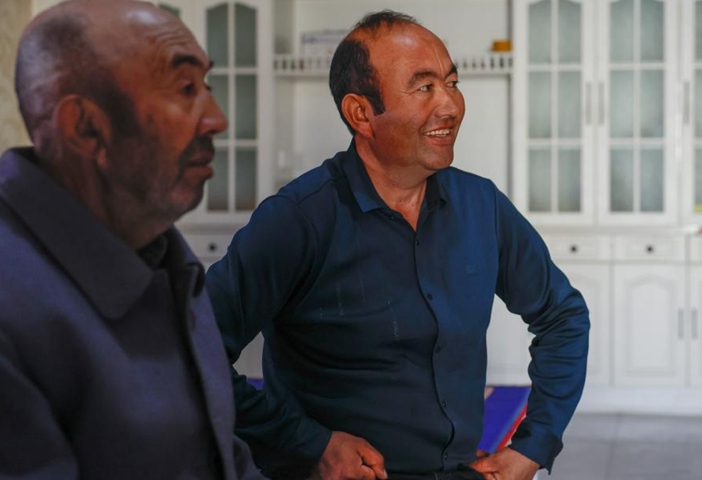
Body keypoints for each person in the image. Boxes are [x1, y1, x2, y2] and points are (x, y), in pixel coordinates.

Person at [206, 10, 590, 480]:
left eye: (452, 82)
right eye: (424, 87)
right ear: (361, 113)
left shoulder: (481, 205)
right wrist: (309, 443)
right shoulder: (296, 220)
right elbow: (192, 353)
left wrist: (534, 446)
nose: (450, 105)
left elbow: (563, 315)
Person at [0, 1, 264, 479]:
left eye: (208, 86)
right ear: (85, 126)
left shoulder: (160, 250)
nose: (217, 119)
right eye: (186, 89)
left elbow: (220, 454)